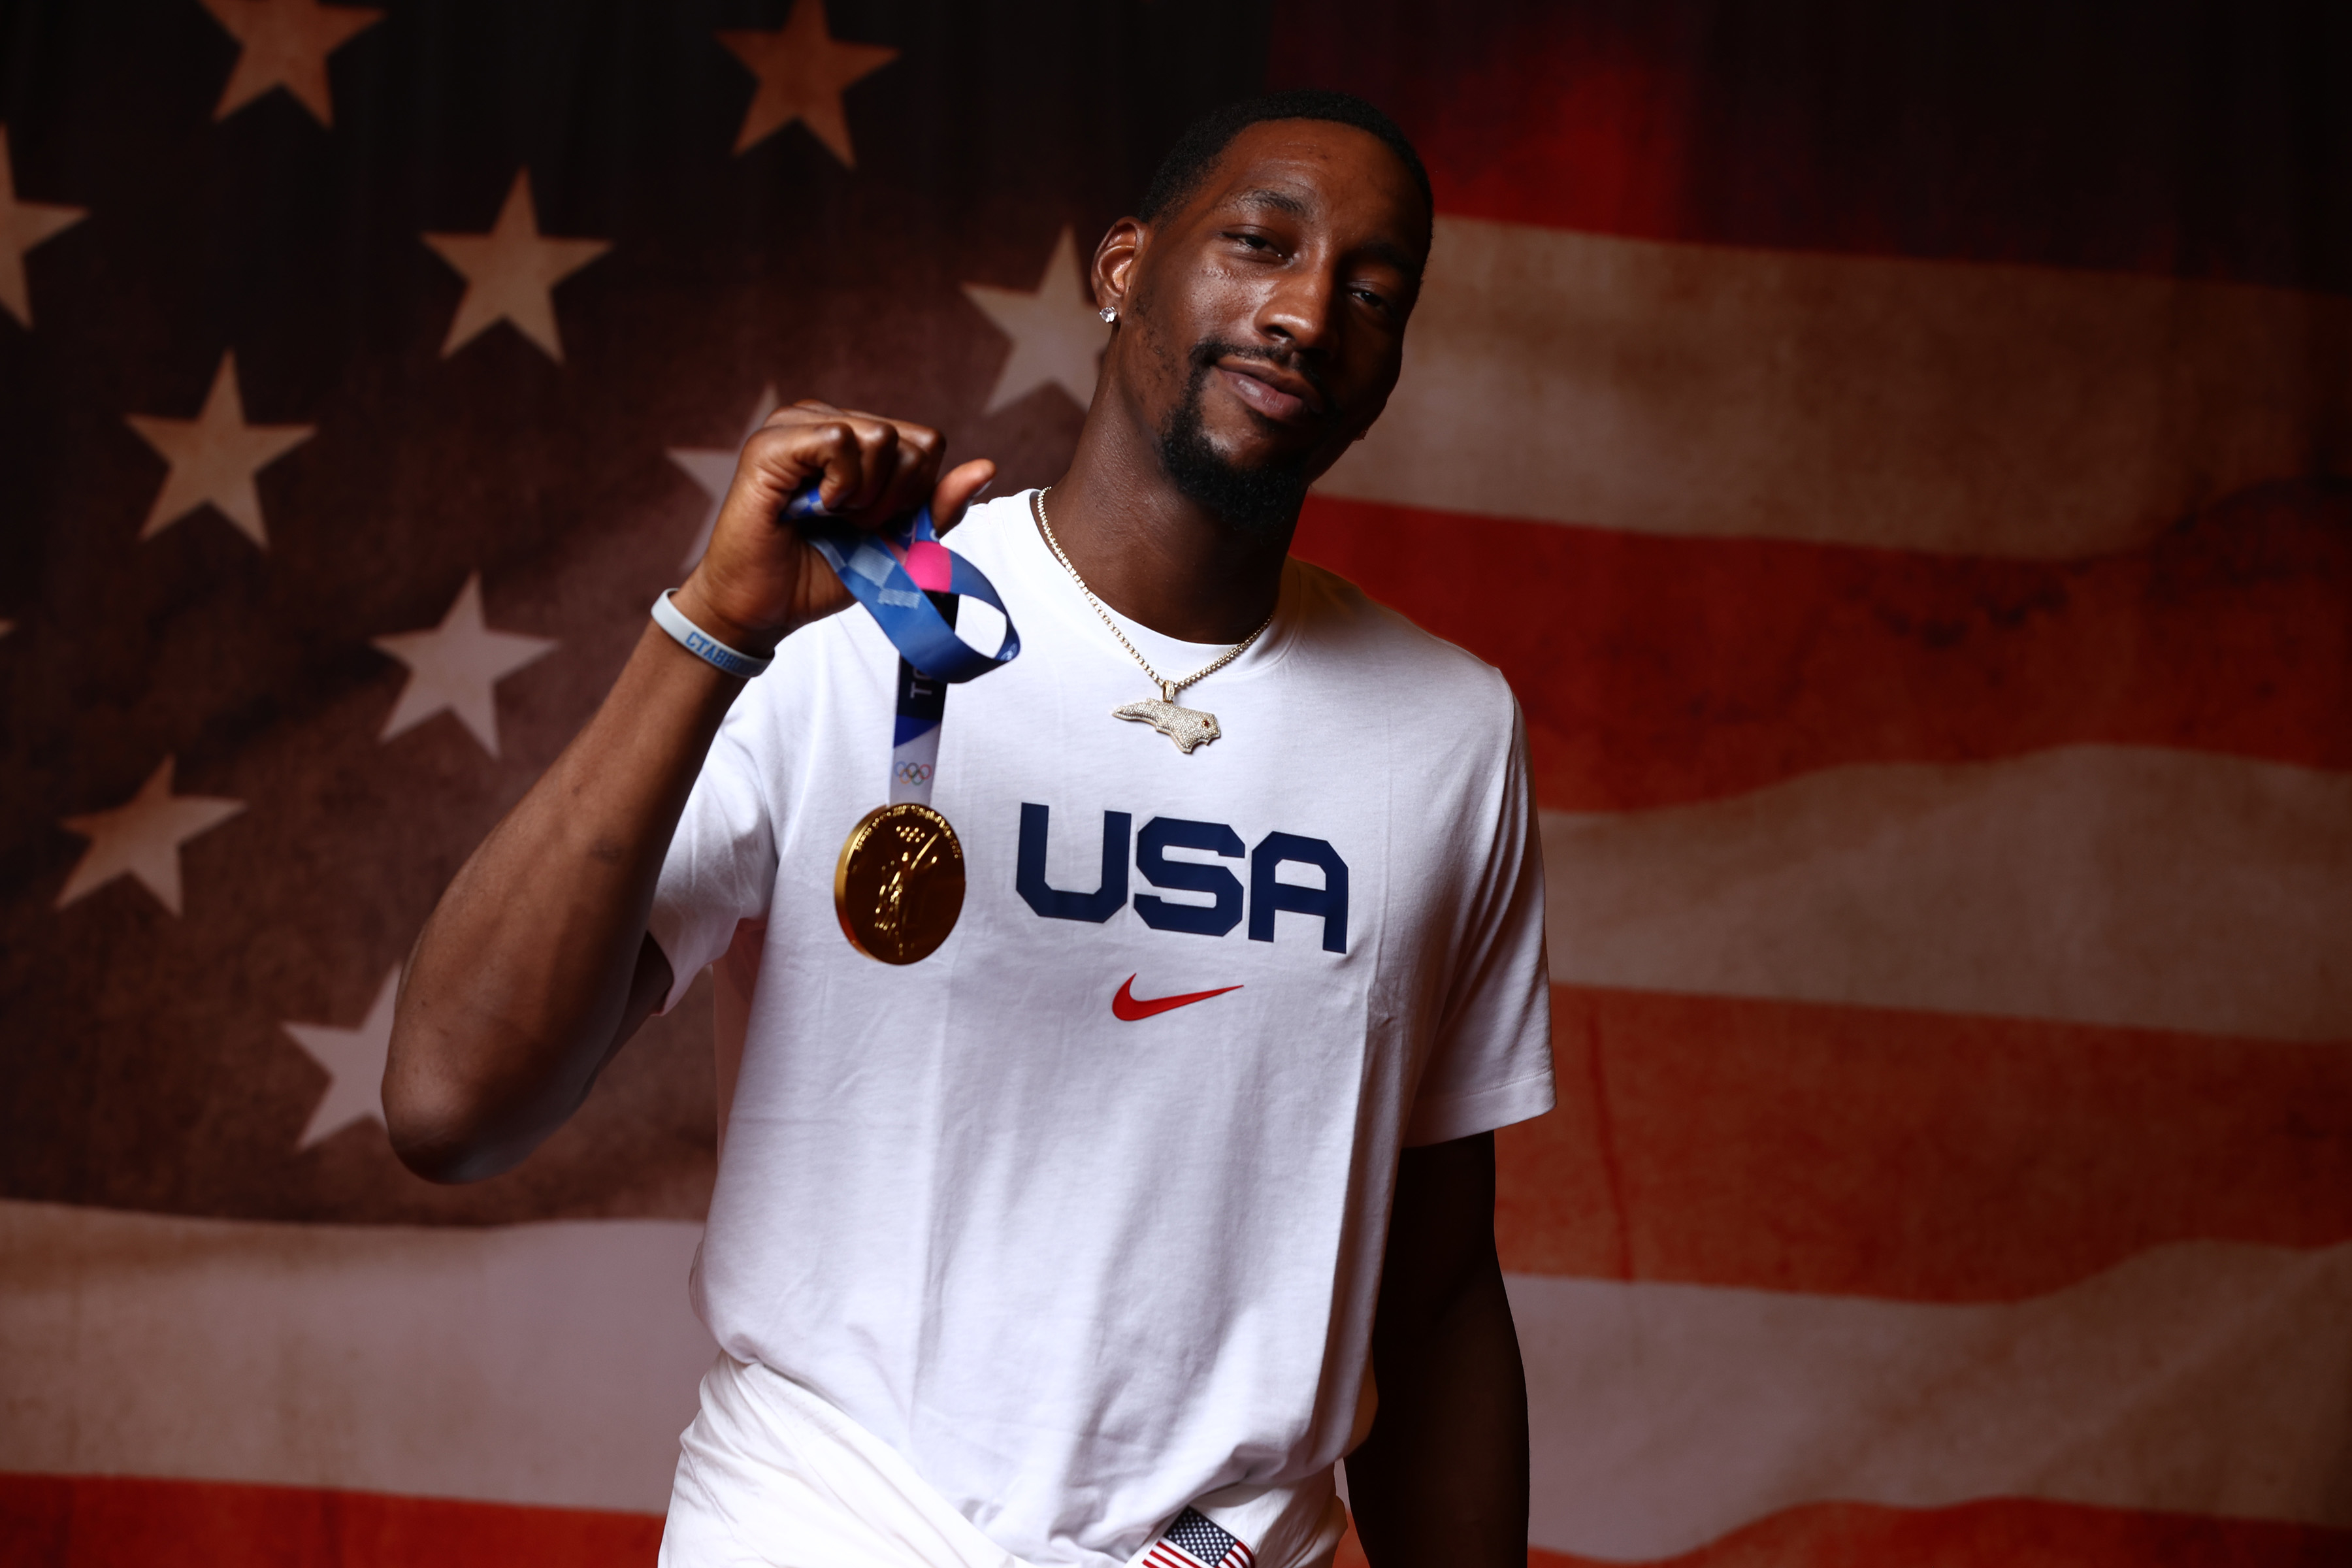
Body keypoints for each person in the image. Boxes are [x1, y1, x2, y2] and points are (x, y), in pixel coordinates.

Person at [386, 90, 1552, 1568]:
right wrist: (709, 629)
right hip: (829, 1528)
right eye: (1261, 244)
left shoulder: (1445, 730)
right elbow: (448, 1104)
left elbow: (1438, 1291)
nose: (1309, 314)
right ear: (1124, 265)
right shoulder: (860, 617)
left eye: (1376, 294)